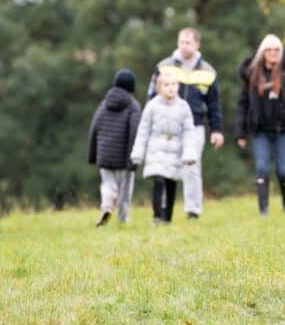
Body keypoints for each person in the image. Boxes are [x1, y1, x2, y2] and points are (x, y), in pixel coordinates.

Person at [149, 27, 224, 220]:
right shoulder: (164, 66)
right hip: (167, 126)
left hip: (195, 126)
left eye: (188, 42)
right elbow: (151, 96)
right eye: (181, 42)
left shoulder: (208, 72)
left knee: (191, 167)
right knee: (165, 167)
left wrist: (216, 130)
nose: (184, 46)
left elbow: (214, 104)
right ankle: (164, 209)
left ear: (197, 44)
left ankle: (193, 210)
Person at [236, 34, 285, 215]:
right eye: (269, 49)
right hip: (260, 131)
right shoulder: (253, 74)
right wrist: (240, 132)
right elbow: (243, 103)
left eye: (276, 50)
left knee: (283, 171)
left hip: (284, 130)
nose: (273, 53)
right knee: (262, 168)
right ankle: (263, 209)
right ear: (262, 52)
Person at [131, 69, 199, 224]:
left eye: (174, 84)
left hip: (175, 150)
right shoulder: (152, 106)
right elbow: (143, 130)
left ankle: (167, 217)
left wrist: (189, 153)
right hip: (156, 150)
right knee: (159, 180)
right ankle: (157, 215)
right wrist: (137, 153)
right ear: (159, 88)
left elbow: (189, 131)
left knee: (171, 184)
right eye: (166, 85)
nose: (170, 88)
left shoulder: (183, 107)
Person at [86, 69, 142, 226]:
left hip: (104, 154)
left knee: (107, 184)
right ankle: (123, 218)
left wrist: (93, 154)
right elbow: (135, 132)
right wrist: (134, 157)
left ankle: (107, 206)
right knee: (125, 189)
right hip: (124, 156)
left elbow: (94, 128)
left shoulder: (104, 103)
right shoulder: (133, 106)